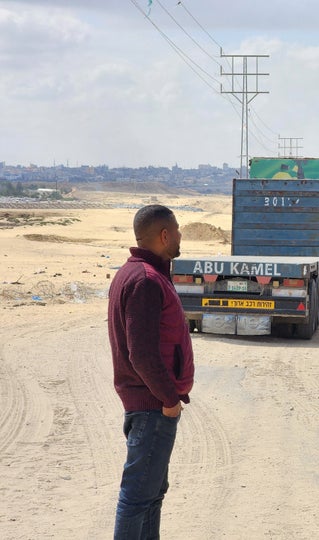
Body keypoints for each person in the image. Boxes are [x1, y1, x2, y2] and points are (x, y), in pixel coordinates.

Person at [108, 204, 195, 537]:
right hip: (152, 407)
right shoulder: (144, 279)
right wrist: (169, 399)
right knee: (136, 499)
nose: (180, 235)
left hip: (152, 406)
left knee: (152, 496)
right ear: (163, 235)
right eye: (177, 230)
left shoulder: (144, 274)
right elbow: (141, 354)